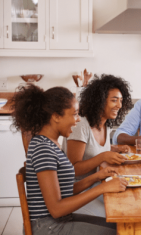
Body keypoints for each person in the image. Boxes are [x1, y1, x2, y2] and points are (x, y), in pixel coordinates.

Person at [11, 85, 127, 235]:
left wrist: (97, 177)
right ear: (56, 116)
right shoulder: (43, 149)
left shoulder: (50, 144)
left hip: (59, 222)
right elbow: (56, 209)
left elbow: (64, 191)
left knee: (121, 226)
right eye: (74, 114)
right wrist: (102, 188)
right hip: (48, 227)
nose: (77, 120)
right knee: (121, 232)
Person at [62, 74, 133, 217]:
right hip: (76, 192)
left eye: (120, 100)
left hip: (95, 184)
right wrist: (104, 156)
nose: (119, 105)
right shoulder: (81, 124)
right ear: (100, 101)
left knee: (130, 203)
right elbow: (74, 169)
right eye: (114, 100)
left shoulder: (105, 123)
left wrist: (113, 149)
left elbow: (92, 148)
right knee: (120, 215)